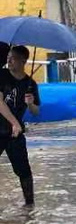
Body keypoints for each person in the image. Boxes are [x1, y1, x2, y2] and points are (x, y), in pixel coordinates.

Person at [0, 46, 40, 207]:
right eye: (8, 57)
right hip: (2, 128)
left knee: (24, 171)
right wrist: (15, 123)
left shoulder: (30, 84)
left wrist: (30, 104)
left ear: (23, 61)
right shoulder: (1, 75)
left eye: (13, 58)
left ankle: (29, 207)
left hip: (15, 135)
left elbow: (36, 111)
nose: (9, 61)